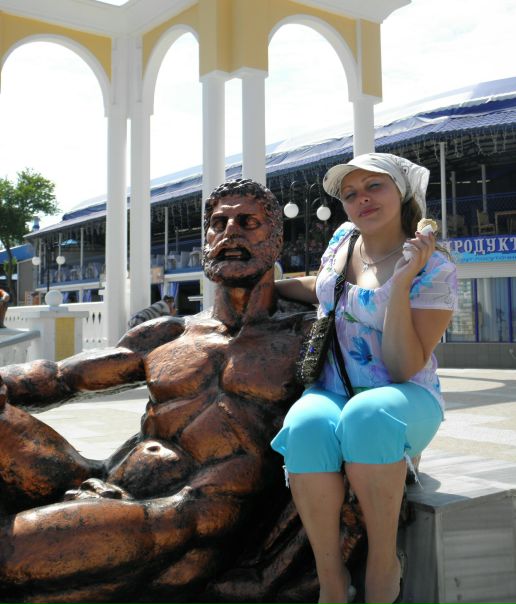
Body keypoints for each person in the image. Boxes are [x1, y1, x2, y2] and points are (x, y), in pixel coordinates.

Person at [0, 179, 326, 603]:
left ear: (277, 239)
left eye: (249, 223)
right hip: (105, 479)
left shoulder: (304, 336)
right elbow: (60, 377)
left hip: (181, 517)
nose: (230, 232)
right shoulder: (168, 333)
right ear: (205, 240)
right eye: (219, 224)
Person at [272, 153, 458, 604]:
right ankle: (331, 579)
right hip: (332, 388)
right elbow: (324, 287)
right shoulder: (343, 239)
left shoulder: (434, 268)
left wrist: (402, 281)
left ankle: (382, 564)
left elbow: (402, 366)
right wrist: (265, 287)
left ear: (401, 192)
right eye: (350, 193)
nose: (362, 199)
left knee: (368, 415)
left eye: (374, 186)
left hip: (404, 396)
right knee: (304, 426)